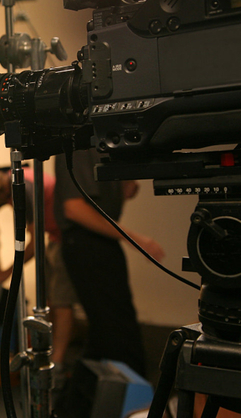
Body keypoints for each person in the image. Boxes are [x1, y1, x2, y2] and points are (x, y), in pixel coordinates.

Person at [0, 163, 79, 375]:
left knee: (61, 301)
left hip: (70, 236)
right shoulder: (7, 184)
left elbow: (35, 243)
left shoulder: (24, 189)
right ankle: (51, 351)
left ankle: (57, 363)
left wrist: (6, 273)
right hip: (57, 236)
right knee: (51, 299)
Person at [54, 149, 165, 377]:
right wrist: (135, 238)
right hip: (86, 242)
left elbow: (117, 194)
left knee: (109, 328)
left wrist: (125, 181)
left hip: (99, 243)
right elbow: (74, 208)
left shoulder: (100, 146)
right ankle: (127, 392)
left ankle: (92, 392)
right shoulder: (78, 147)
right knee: (114, 330)